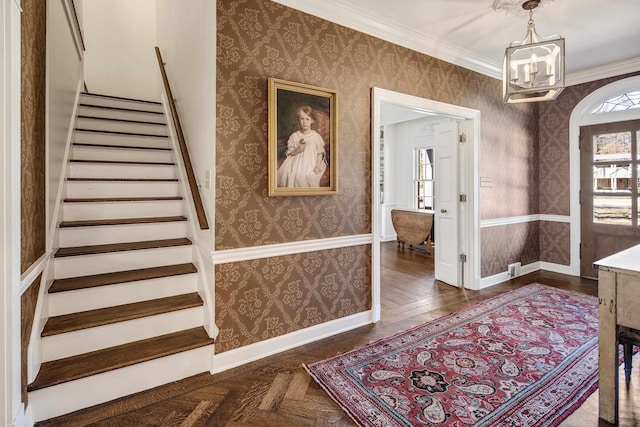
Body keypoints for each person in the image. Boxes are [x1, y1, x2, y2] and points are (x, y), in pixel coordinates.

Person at [277, 105, 327, 188]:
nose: (304, 122)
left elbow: (320, 153)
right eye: (302, 119)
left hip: (311, 162)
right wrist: (297, 150)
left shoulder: (315, 136)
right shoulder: (295, 136)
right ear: (298, 120)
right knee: (292, 174)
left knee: (308, 175)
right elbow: (290, 153)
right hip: (295, 162)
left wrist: (317, 165)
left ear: (312, 121)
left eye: (307, 119)